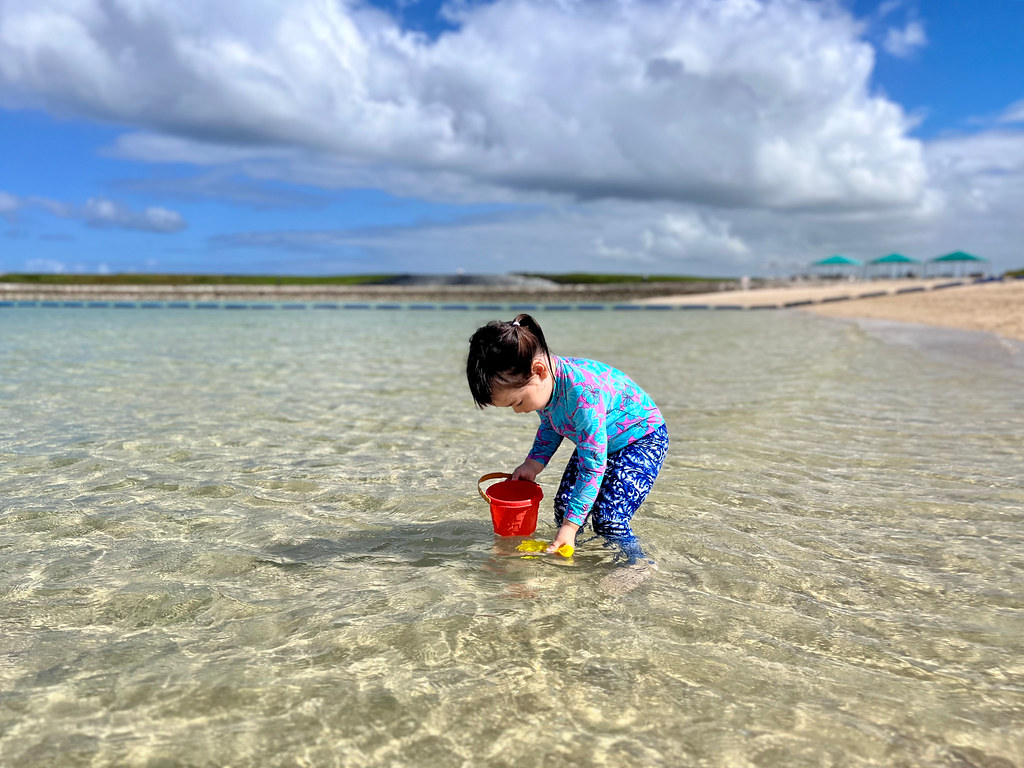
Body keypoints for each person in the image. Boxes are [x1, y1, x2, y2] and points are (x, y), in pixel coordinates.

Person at [466, 313, 668, 565]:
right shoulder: (545, 383)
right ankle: (573, 549)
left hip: (641, 439)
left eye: (517, 402)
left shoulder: (583, 395)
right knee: (564, 505)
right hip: (598, 440)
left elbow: (592, 466)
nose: (518, 411)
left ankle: (637, 563)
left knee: (609, 517)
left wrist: (570, 527)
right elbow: (552, 423)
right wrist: (533, 464)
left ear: (537, 370)